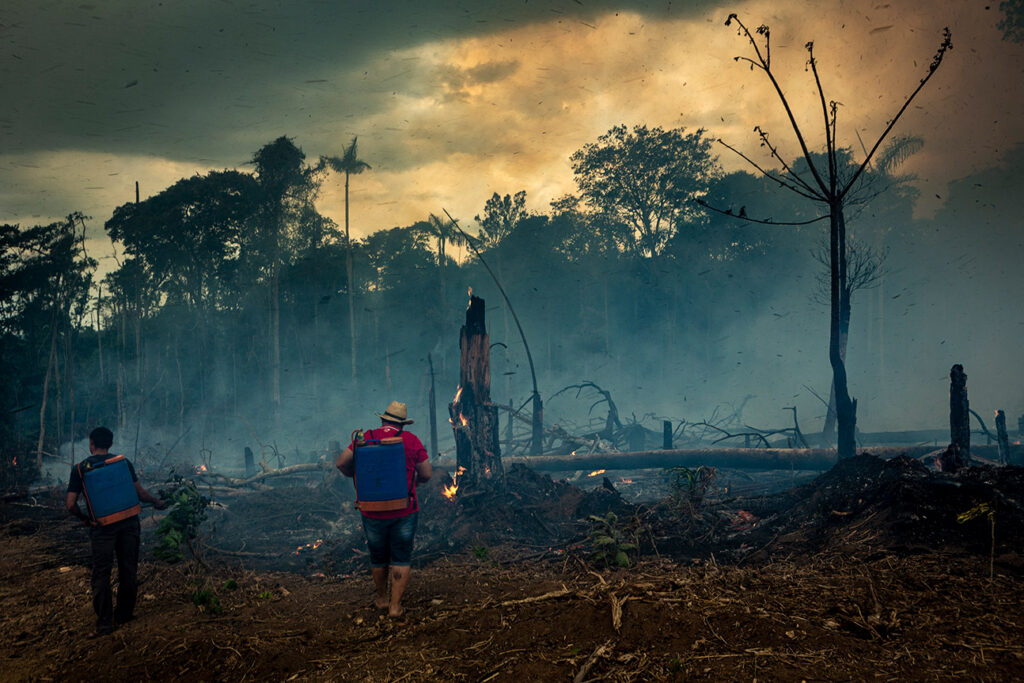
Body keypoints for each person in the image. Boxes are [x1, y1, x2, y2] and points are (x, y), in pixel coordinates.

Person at [66, 427, 166, 637]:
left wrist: (86, 519)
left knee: (101, 574)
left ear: (91, 443)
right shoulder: (122, 462)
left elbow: (70, 505)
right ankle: (124, 615)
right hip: (129, 523)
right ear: (110, 444)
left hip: (102, 528)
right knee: (128, 569)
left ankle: (104, 624)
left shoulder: (80, 469)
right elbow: (139, 493)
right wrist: (156, 501)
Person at [337, 401, 432, 617]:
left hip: (371, 510)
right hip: (404, 510)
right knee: (401, 555)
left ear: (382, 419)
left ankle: (381, 599)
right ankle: (395, 607)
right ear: (402, 424)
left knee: (378, 555)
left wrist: (356, 476)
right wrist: (414, 483)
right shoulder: (410, 440)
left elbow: (341, 462)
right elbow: (427, 473)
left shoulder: (366, 437)